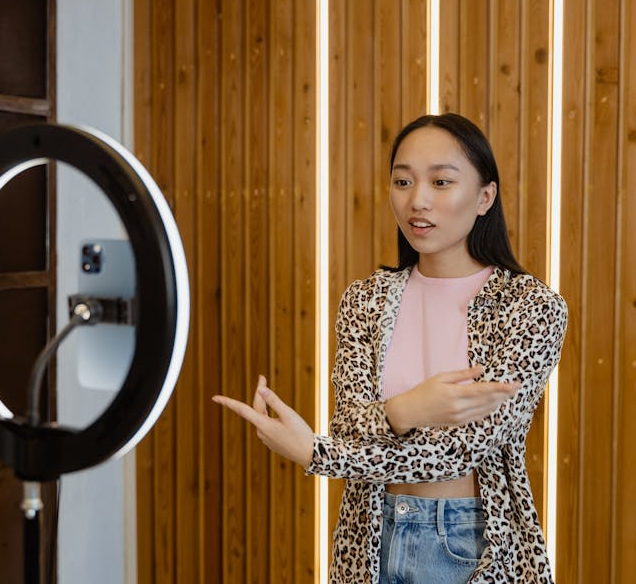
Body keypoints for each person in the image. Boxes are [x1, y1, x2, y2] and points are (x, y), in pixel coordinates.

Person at [213, 113, 567, 583]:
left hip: (470, 541)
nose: (417, 200)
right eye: (402, 181)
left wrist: (318, 454)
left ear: (485, 197)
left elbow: (467, 449)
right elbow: (349, 425)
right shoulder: (365, 299)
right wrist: (409, 408)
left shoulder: (531, 307)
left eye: (441, 181)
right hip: (368, 537)